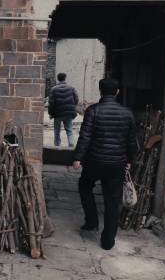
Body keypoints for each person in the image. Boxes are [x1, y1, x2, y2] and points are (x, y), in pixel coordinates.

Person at [73, 78, 136, 250]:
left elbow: (85, 136)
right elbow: (131, 141)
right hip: (117, 163)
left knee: (85, 186)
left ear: (100, 91)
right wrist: (130, 160)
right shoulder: (127, 113)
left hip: (94, 161)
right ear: (117, 92)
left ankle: (91, 221)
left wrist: (78, 158)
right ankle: (108, 241)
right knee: (112, 200)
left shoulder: (93, 111)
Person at [48, 73, 79, 147]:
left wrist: (51, 113)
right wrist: (72, 107)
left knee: (57, 130)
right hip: (69, 113)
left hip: (58, 113)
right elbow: (76, 99)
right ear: (65, 78)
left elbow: (51, 103)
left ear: (58, 79)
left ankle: (57, 146)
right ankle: (71, 144)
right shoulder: (72, 88)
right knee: (69, 130)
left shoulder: (53, 89)